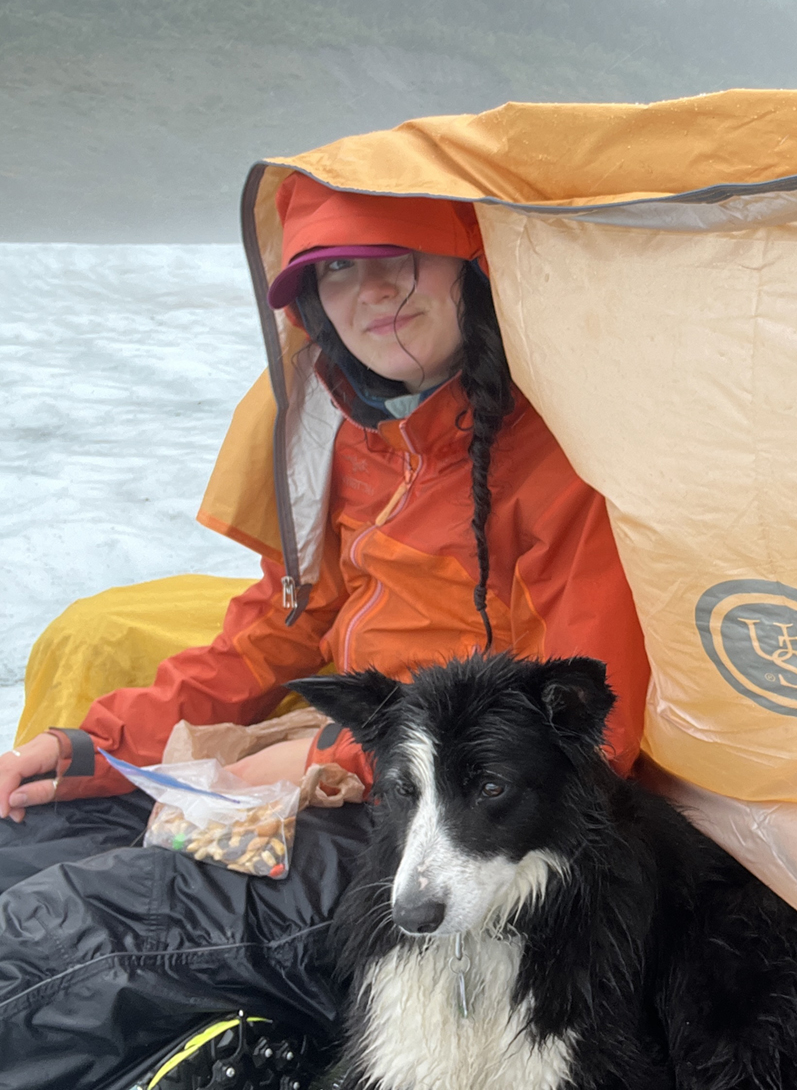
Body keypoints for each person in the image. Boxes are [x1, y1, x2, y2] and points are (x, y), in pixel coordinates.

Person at [0, 175, 651, 1088]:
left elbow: (589, 730)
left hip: (428, 819)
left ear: (470, 266)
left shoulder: (567, 452)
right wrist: (93, 744)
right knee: (19, 850)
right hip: (323, 764)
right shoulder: (349, 434)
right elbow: (273, 627)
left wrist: (335, 762)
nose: (373, 293)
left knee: (63, 932)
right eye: (338, 270)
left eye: (400, 258)